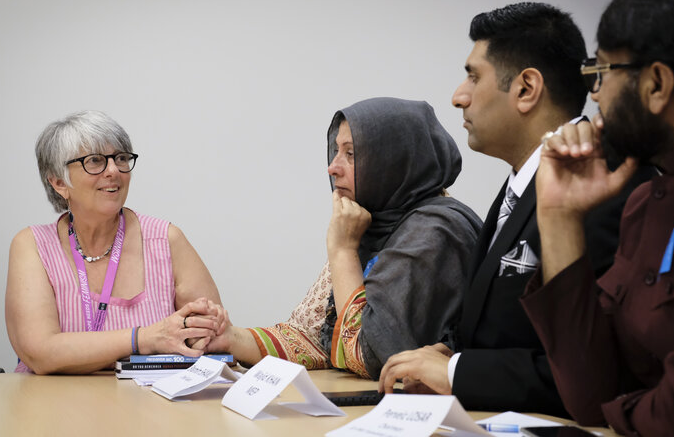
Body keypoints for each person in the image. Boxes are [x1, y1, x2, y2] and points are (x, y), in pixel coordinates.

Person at [379, 2, 652, 415]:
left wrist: (457, 371)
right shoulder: (518, 184)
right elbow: (503, 331)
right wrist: (446, 355)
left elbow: (597, 370)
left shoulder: (603, 187)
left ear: (526, 89)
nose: (459, 96)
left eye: (473, 75)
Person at [522, 0, 674, 435]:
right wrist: (559, 216)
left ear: (656, 85)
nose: (595, 95)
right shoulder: (644, 203)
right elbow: (590, 396)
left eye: (603, 72)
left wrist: (621, 413)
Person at [206, 97, 482, 379]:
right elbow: (312, 337)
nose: (333, 167)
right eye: (336, 151)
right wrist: (230, 338)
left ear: (394, 161)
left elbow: (372, 355)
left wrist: (342, 252)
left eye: (351, 155)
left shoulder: (435, 231)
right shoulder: (373, 224)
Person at [6, 110, 225, 374]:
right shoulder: (32, 245)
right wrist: (144, 339)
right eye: (95, 161)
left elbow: (213, 341)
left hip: (150, 408)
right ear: (58, 182)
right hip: (53, 408)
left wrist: (203, 333)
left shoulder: (167, 240)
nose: (114, 171)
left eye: (120, 159)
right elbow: (40, 352)